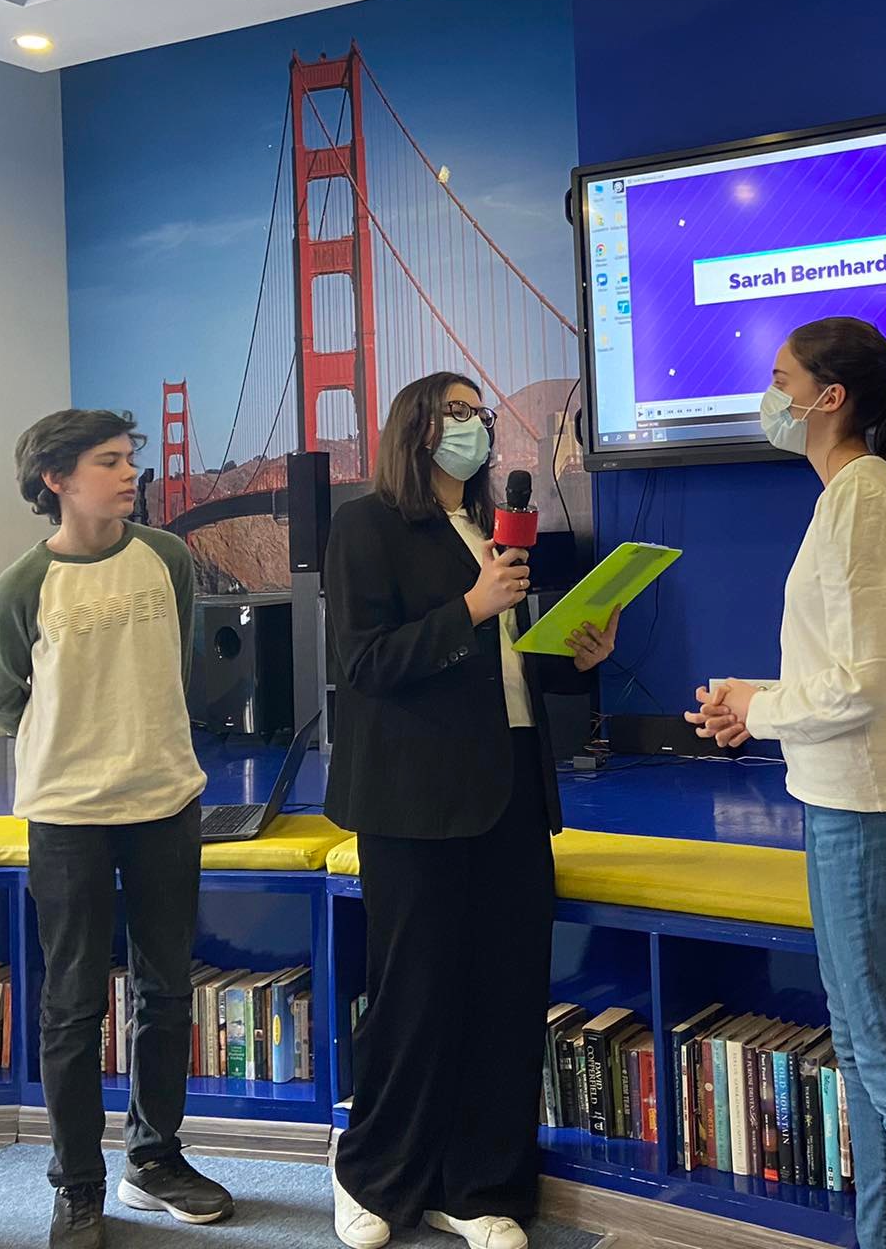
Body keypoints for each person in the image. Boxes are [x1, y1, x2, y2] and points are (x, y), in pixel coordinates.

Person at [687, 316, 886, 1249]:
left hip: (868, 809)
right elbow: (843, 671)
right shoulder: (849, 496)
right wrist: (753, 701)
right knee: (861, 1052)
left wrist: (763, 707)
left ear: (830, 398)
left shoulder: (861, 499)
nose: (768, 396)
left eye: (781, 379)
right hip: (844, 800)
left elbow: (861, 685)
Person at [323, 373, 617, 1249]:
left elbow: (511, 662)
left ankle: (478, 1184)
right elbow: (366, 664)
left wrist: (576, 653)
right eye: (456, 412)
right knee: (415, 995)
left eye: (480, 413)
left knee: (506, 994)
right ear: (415, 427)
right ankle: (370, 1173)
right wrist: (470, 607)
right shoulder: (365, 526)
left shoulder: (493, 527)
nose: (476, 426)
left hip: (512, 790)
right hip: (415, 798)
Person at [0, 409, 232, 1249]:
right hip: (67, 814)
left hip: (166, 799)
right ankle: (78, 1185)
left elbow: (178, 665)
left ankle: (154, 1161)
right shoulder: (23, 585)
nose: (129, 474)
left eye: (131, 459)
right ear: (55, 479)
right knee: (73, 1002)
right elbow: (6, 701)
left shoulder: (167, 557)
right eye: (109, 461)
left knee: (167, 989)